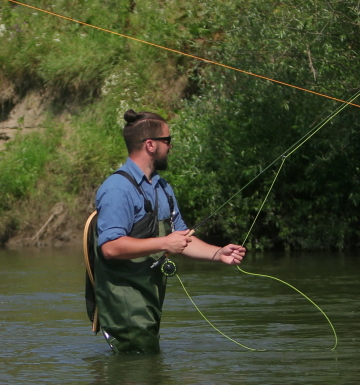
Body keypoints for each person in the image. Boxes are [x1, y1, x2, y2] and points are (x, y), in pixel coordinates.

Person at [90, 110, 245, 353]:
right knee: (139, 372)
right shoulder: (117, 190)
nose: (171, 146)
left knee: (147, 375)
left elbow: (181, 237)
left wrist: (218, 253)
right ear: (150, 145)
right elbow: (110, 247)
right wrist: (164, 243)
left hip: (148, 299)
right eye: (167, 140)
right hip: (124, 301)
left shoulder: (162, 187)